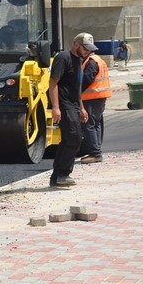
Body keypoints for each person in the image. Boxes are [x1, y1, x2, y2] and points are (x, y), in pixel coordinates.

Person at [47, 33, 96, 188]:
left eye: (90, 49)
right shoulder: (63, 57)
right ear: (76, 45)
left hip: (73, 105)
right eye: (85, 48)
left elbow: (77, 87)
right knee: (74, 137)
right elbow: (53, 83)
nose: (88, 52)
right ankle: (63, 174)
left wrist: (81, 107)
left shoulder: (79, 60)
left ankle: (57, 177)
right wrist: (55, 107)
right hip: (63, 104)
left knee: (69, 139)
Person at [78, 50, 112, 164]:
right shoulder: (98, 59)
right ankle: (96, 151)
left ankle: (95, 153)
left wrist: (76, 90)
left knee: (88, 125)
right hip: (99, 96)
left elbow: (87, 79)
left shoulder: (91, 62)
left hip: (92, 97)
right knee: (96, 124)